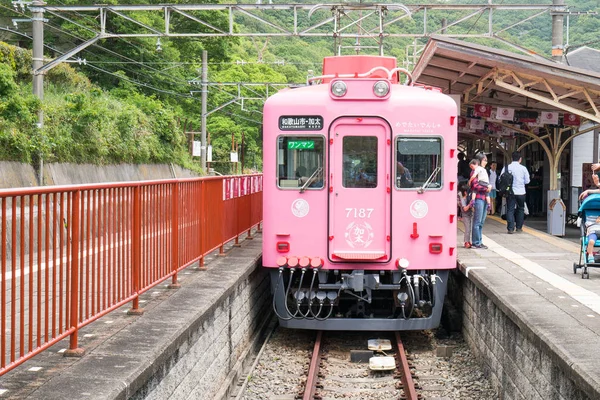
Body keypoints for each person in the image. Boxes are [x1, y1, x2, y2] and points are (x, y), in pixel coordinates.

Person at [502, 151, 530, 234]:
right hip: (521, 192)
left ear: (512, 158)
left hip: (510, 192)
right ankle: (519, 227)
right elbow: (527, 181)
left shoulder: (507, 167)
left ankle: (510, 228)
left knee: (510, 209)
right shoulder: (523, 168)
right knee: (520, 209)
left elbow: (501, 179)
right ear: (520, 159)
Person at [470, 153, 492, 249]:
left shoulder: (483, 171)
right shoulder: (475, 171)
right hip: (478, 198)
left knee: (481, 222)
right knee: (477, 221)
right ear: (479, 161)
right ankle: (476, 242)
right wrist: (486, 189)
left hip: (483, 198)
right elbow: (474, 185)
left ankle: (479, 241)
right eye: (485, 160)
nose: (486, 162)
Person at [457, 183, 473, 248]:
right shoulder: (462, 199)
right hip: (465, 215)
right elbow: (465, 209)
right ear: (465, 192)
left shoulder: (466, 197)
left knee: (469, 228)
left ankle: (468, 241)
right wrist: (470, 204)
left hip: (469, 214)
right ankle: (466, 242)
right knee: (467, 229)